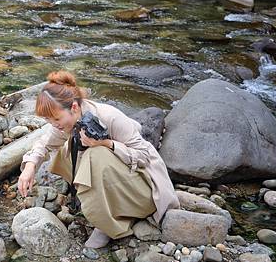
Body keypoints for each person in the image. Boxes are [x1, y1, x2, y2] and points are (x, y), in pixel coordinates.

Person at [17, 71, 179, 249]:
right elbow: (44, 143)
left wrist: (107, 143)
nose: (54, 124)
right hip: (118, 178)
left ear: (74, 107)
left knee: (95, 154)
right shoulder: (66, 122)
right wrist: (30, 167)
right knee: (66, 149)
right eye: (48, 120)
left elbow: (144, 155)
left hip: (143, 190)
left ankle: (107, 224)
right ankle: (99, 203)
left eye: (56, 119)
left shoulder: (109, 117)